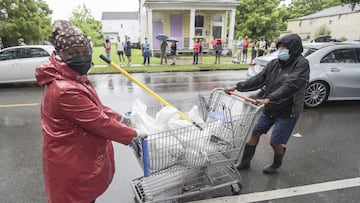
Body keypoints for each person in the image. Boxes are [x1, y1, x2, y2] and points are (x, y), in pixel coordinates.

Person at [35, 20, 146, 203]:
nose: (81, 57)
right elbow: (98, 122)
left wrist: (118, 117)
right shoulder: (64, 90)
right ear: (60, 54)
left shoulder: (73, 77)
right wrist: (133, 133)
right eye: (73, 53)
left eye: (85, 52)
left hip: (75, 156)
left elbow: (94, 106)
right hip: (70, 162)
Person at [224, 33, 310, 174]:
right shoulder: (274, 64)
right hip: (270, 107)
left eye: (285, 47)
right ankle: (244, 163)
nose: (281, 50)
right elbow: (258, 79)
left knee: (275, 141)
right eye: (280, 47)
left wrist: (270, 98)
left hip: (288, 110)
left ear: (293, 49)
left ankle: (277, 163)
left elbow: (291, 84)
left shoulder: (301, 64)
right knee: (255, 133)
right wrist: (237, 86)